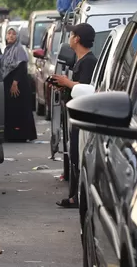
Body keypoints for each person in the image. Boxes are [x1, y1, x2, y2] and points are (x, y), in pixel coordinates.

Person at [50, 23, 98, 208]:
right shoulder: (79, 60)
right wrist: (63, 85)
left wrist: (67, 82)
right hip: (73, 114)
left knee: (79, 158)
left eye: (71, 34)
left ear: (77, 38)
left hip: (83, 116)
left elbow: (85, 89)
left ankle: (77, 198)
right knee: (74, 156)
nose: (69, 38)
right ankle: (74, 196)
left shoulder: (89, 62)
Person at [1, 28, 38, 143]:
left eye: (14, 34)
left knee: (20, 110)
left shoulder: (19, 49)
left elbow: (22, 67)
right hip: (9, 83)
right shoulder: (7, 50)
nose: (11, 36)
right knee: (11, 110)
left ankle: (21, 134)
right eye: (9, 33)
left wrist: (15, 83)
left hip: (19, 84)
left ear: (17, 36)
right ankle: (11, 134)